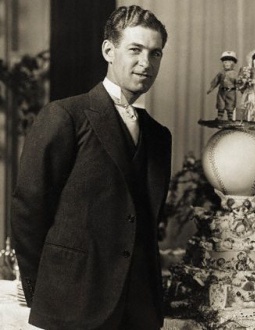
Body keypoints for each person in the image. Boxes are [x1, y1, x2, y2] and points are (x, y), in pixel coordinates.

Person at [11, 5, 172, 330]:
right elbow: (29, 209)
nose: (146, 63)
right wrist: (42, 290)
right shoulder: (65, 116)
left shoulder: (159, 136)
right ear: (108, 50)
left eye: (156, 54)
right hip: (73, 303)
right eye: (135, 50)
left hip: (139, 307)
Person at [207, 50, 238, 121]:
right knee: (220, 104)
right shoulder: (221, 73)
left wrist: (242, 88)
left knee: (230, 104)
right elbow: (216, 81)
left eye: (229, 62)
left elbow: (238, 83)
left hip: (231, 92)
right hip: (221, 92)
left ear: (233, 63)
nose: (227, 64)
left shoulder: (235, 74)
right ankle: (220, 117)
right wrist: (211, 88)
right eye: (225, 62)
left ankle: (230, 118)